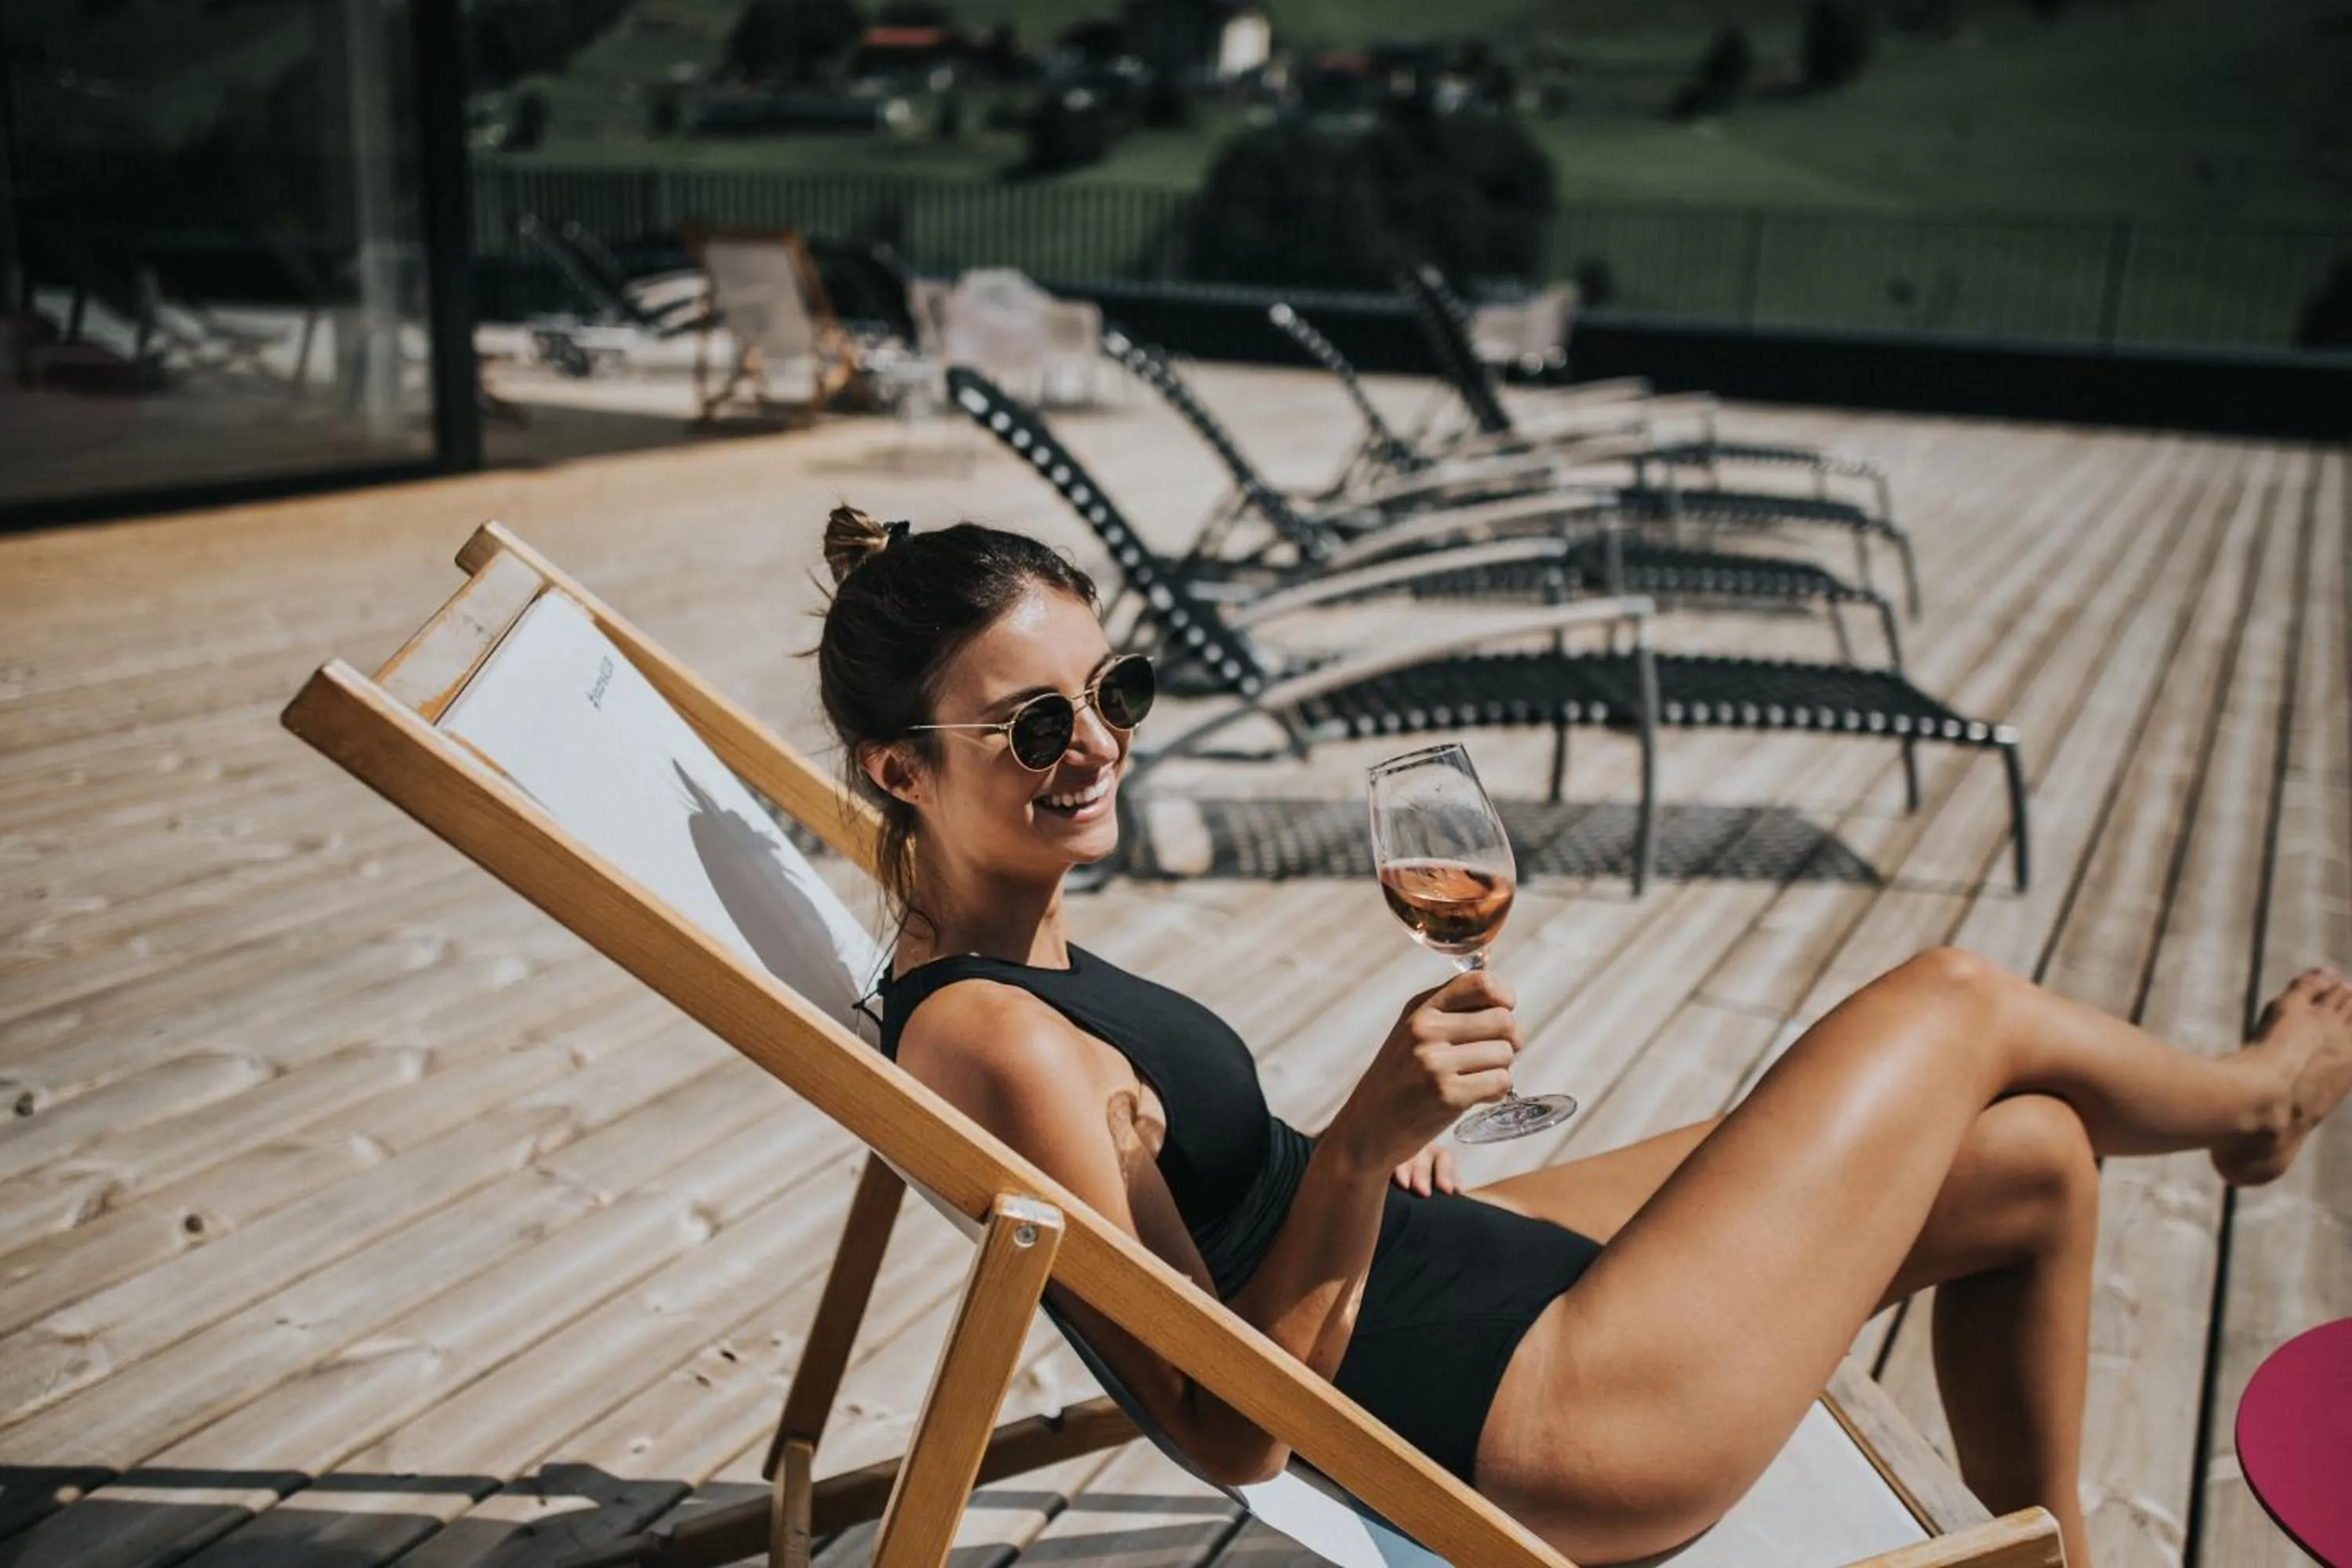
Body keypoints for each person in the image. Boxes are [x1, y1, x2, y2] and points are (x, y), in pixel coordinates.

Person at [813, 506, 2352, 1566]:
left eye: (1115, 689)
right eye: (1035, 725)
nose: (1097, 745)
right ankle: (2254, 1105)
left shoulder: (1008, 948)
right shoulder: (992, 1039)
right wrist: (1355, 1149)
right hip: (1544, 1423)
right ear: (897, 768)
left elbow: (1217, 1236)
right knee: (1952, 993)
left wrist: (1352, 1181)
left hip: (1423, 1281)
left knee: (2030, 1158)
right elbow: (1228, 1427)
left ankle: (2054, 1552)